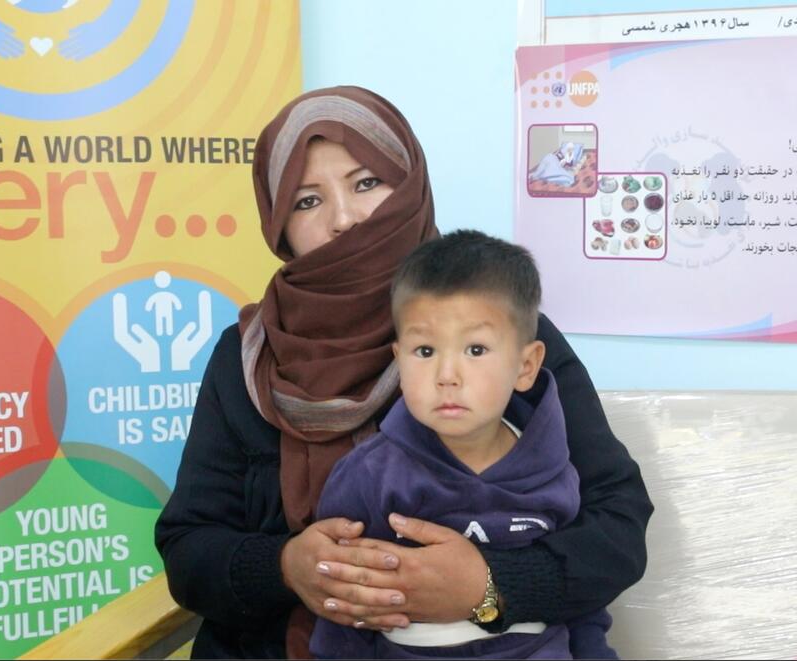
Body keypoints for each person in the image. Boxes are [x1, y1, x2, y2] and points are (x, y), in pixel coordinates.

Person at [154, 86, 652, 659]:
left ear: (409, 187)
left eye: (367, 183)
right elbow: (189, 547)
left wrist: (489, 587)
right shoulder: (247, 357)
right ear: (279, 226)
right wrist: (287, 568)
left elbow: (616, 523)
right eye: (307, 201)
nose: (344, 220)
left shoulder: (500, 337)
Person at [309, 229, 613, 659]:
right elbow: (344, 606)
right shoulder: (368, 475)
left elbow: (583, 601)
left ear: (526, 367)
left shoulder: (557, 471)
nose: (447, 374)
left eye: (475, 349)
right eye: (425, 350)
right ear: (398, 360)